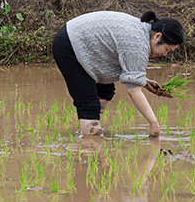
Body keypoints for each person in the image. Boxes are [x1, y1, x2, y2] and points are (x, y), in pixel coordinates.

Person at [52, 10, 184, 137]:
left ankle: (88, 128)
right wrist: (153, 123)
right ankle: (90, 144)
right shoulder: (138, 44)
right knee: (89, 103)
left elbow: (128, 64)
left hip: (81, 42)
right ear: (157, 36)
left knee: (105, 90)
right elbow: (133, 91)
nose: (165, 54)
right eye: (166, 49)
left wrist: (144, 82)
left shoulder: (142, 32)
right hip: (69, 45)